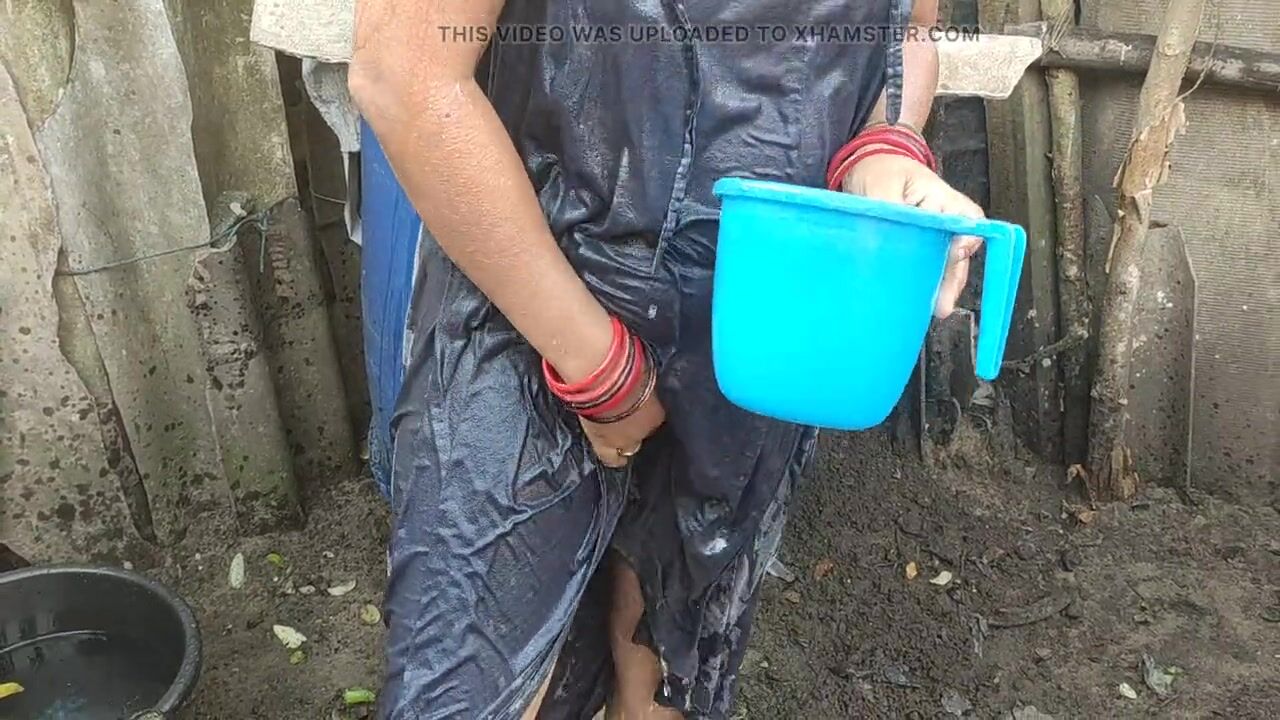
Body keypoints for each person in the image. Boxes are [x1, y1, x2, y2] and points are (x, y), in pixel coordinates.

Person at [350, 1, 985, 717]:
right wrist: (598, 368)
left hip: (756, 317)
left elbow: (905, 32)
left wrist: (884, 145)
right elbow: (406, 73)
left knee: (673, 648)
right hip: (529, 296)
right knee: (474, 675)